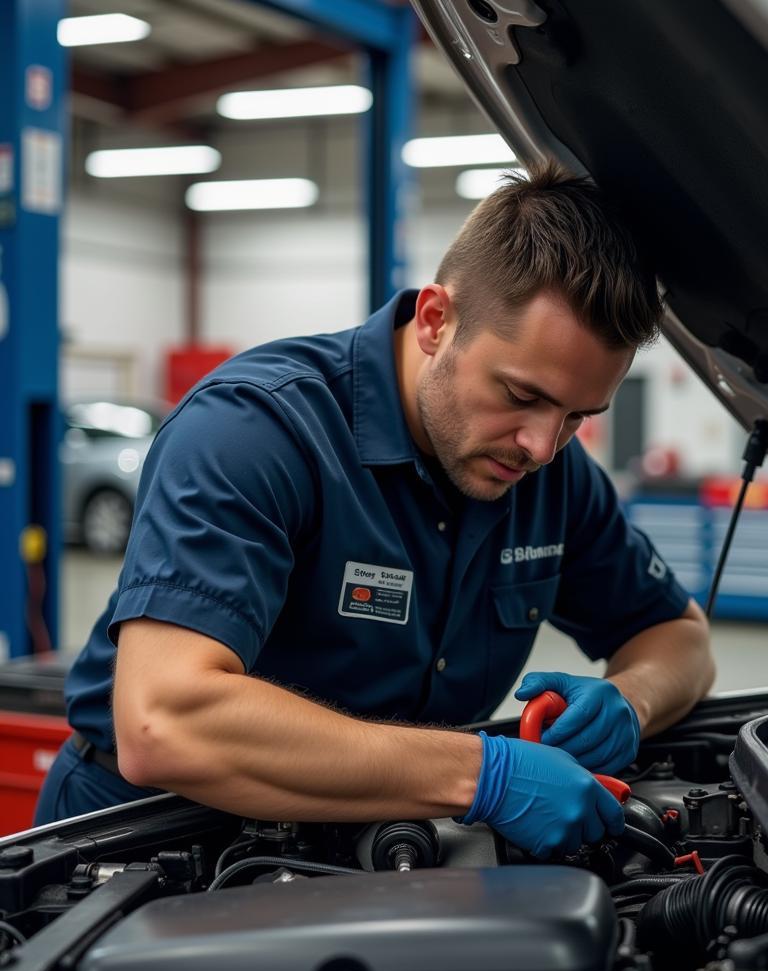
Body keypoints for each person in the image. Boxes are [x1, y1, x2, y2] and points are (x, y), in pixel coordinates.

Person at [35, 162, 714, 859]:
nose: (542, 446)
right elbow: (164, 725)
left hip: (374, 840)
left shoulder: (552, 475)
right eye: (521, 395)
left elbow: (680, 639)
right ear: (434, 321)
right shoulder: (257, 432)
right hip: (151, 845)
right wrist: (484, 773)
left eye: (578, 415)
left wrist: (632, 701)